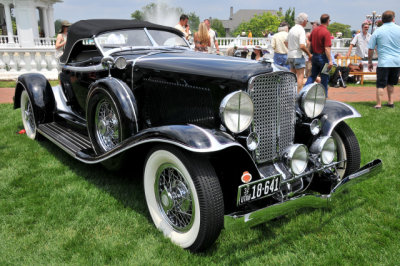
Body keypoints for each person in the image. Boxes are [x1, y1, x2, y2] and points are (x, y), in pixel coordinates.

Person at [367, 10, 400, 109]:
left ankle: (379, 104)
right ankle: (390, 102)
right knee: (391, 83)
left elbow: (371, 48)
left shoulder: (378, 31)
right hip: (396, 61)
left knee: (380, 84)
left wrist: (369, 62)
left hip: (384, 62)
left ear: (382, 19)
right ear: (393, 18)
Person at [305, 14, 333, 97]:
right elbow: (327, 48)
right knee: (325, 77)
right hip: (323, 58)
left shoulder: (314, 31)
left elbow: (309, 43)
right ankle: (323, 96)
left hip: (315, 56)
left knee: (312, 76)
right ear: (328, 21)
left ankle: (304, 92)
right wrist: (330, 60)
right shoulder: (326, 32)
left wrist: (310, 54)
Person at [286, 13, 312, 92]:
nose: (307, 22)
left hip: (290, 55)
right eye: (307, 20)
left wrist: (291, 49)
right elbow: (302, 46)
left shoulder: (292, 29)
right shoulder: (301, 30)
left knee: (292, 77)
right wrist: (309, 54)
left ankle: (291, 94)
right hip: (298, 55)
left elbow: (286, 42)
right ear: (304, 21)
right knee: (300, 77)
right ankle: (298, 95)